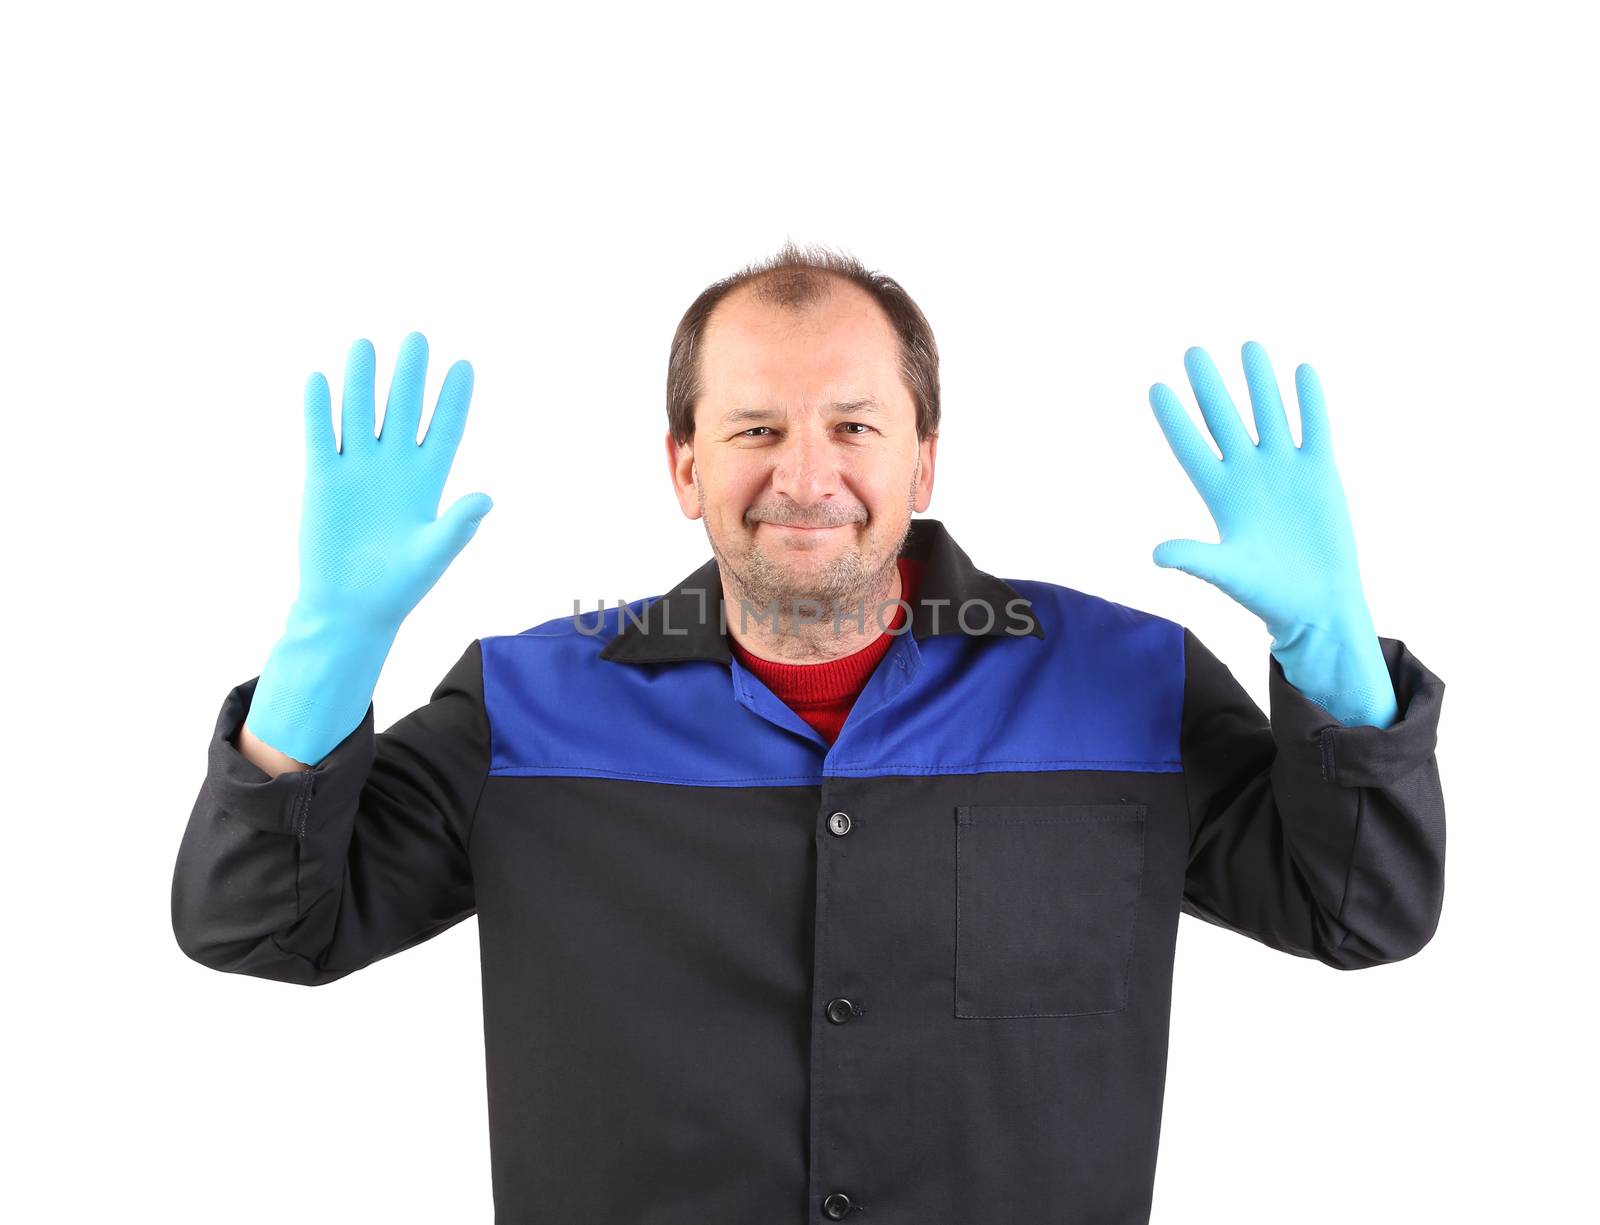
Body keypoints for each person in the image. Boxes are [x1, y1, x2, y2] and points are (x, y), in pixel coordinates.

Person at [171, 241, 1447, 1224]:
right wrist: (325, 649)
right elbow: (262, 925)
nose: (805, 472)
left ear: (923, 459)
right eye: (753, 429)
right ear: (682, 466)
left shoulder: (1127, 684)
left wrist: (1333, 664)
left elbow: (1357, 910)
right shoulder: (527, 705)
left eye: (853, 425)